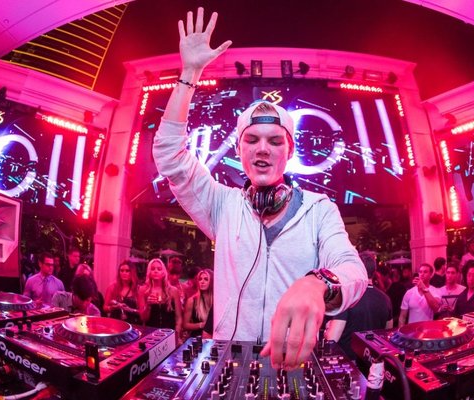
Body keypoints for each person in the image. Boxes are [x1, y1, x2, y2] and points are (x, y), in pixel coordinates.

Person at [151, 8, 367, 369]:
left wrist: (318, 283)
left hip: (293, 365)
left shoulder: (319, 208)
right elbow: (169, 156)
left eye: (274, 141)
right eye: (251, 140)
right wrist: (189, 74)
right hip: (230, 364)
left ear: (290, 151)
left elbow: (352, 270)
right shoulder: (222, 205)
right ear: (239, 151)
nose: (262, 149)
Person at [324, 253, 392, 359]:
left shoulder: (349, 296)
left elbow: (332, 338)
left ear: (356, 269)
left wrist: (328, 329)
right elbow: (387, 335)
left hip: (349, 362)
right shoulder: (385, 299)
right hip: (373, 362)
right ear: (374, 271)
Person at [138, 259, 183, 336]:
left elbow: (178, 318)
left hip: (169, 333)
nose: (156, 271)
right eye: (153, 269)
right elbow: (143, 318)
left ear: (163, 272)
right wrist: (148, 305)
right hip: (151, 334)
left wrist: (177, 334)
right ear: (149, 272)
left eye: (159, 269)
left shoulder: (173, 291)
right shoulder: (143, 290)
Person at [183, 269, 213, 337]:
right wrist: (201, 325)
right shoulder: (192, 301)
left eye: (206, 279)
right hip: (197, 337)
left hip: (214, 337)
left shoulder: (216, 301)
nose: (202, 282)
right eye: (200, 279)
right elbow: (185, 325)